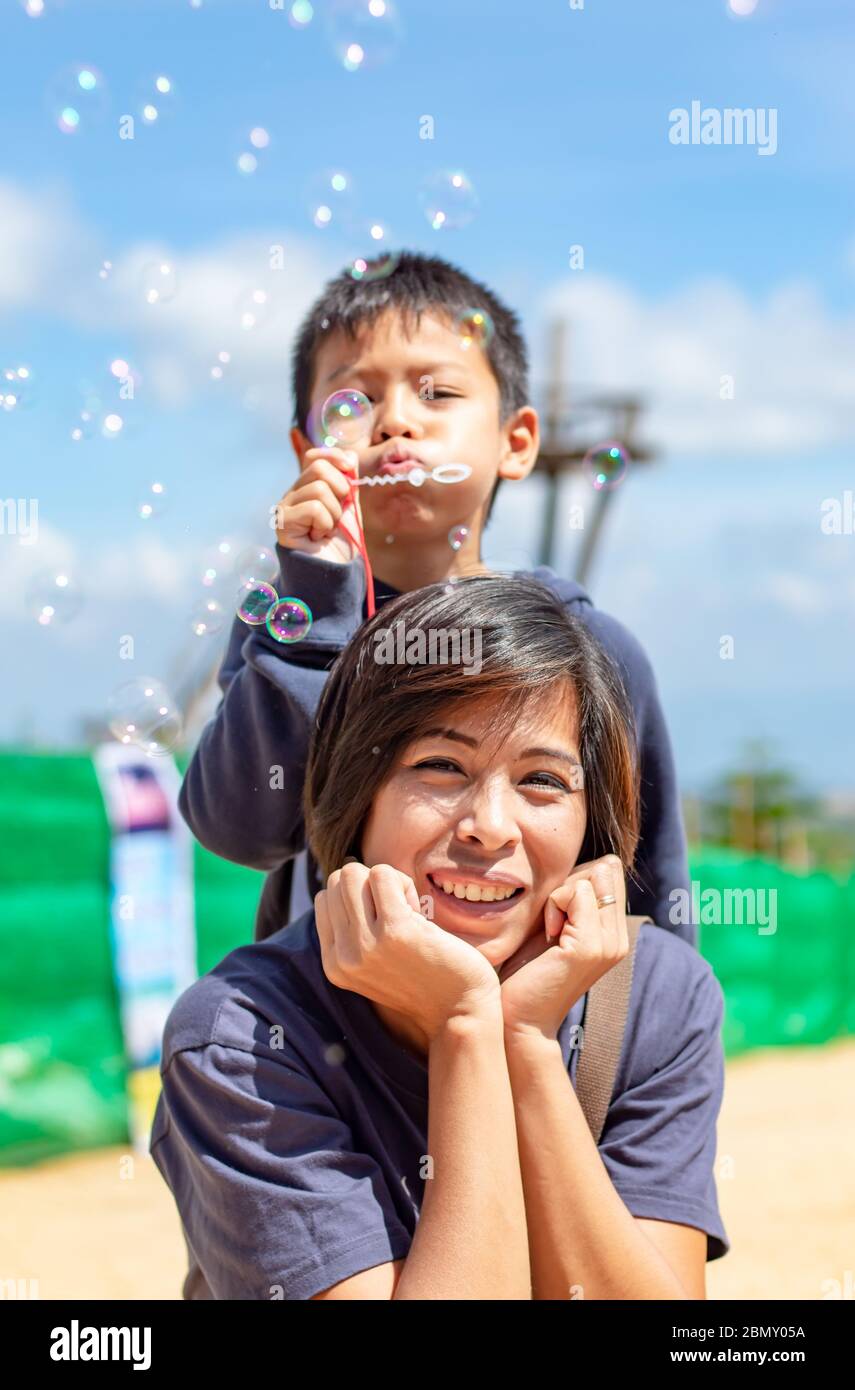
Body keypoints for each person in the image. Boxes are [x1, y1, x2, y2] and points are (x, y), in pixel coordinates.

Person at [150, 576, 728, 1300]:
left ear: (594, 825)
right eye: (440, 767)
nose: (489, 825)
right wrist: (464, 1022)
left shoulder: (654, 996)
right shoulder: (240, 1043)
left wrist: (521, 1042)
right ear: (353, 795)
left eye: (542, 780)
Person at [177, 250, 693, 946]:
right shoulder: (288, 627)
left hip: (533, 1036)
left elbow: (648, 881)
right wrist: (317, 600)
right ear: (307, 451)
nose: (394, 423)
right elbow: (239, 829)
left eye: (437, 393)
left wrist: (652, 1029)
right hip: (329, 1039)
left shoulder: (590, 649)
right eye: (351, 403)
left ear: (516, 443)